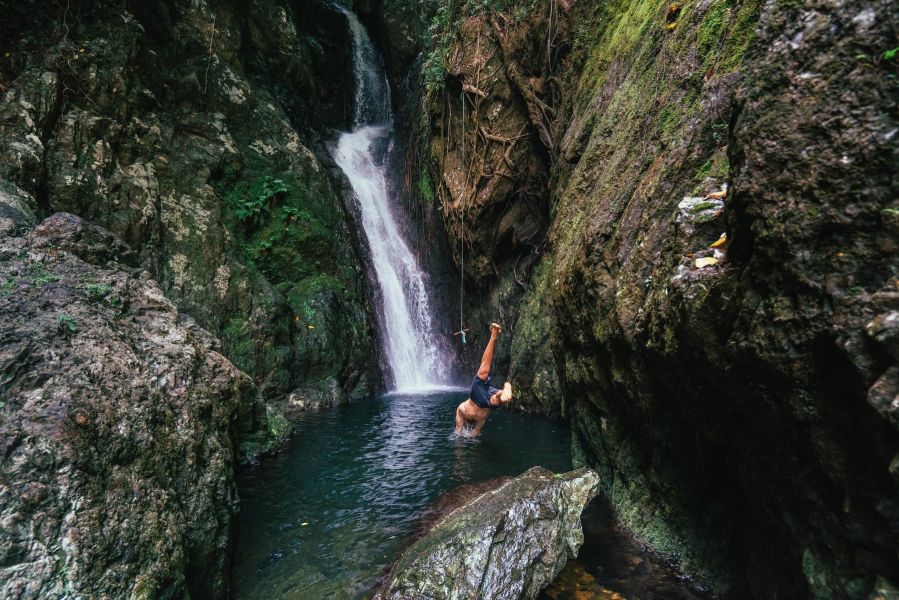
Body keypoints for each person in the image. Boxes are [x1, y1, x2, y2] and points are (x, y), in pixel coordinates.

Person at [454, 322, 513, 436]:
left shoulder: (462, 410)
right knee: (495, 398)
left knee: (485, 370)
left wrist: (459, 451)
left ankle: (493, 335)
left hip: (476, 397)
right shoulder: (481, 419)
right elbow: (476, 431)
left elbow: (459, 429)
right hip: (486, 400)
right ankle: (506, 389)